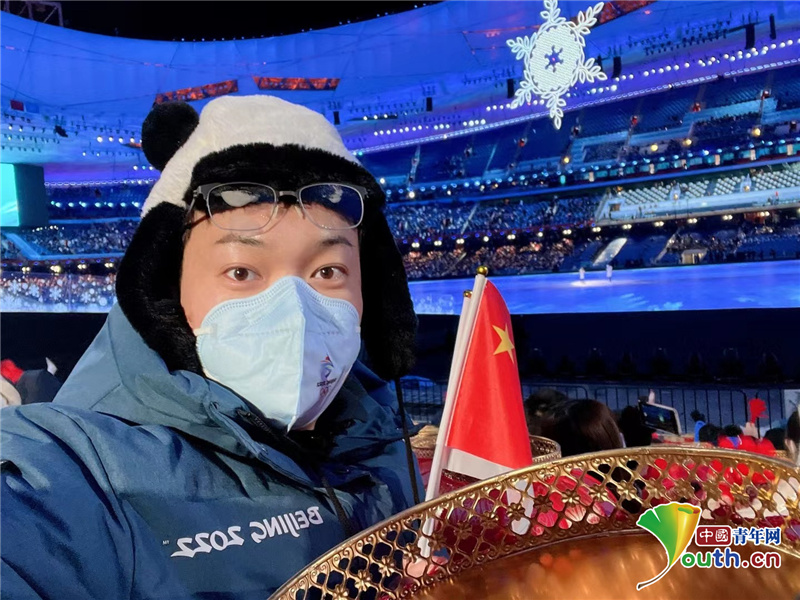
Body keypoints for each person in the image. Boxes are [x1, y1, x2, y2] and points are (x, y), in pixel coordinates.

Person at [1, 96, 422, 598]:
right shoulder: (84, 475)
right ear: (165, 291)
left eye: (328, 271)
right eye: (241, 271)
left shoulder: (382, 435)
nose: (294, 310)